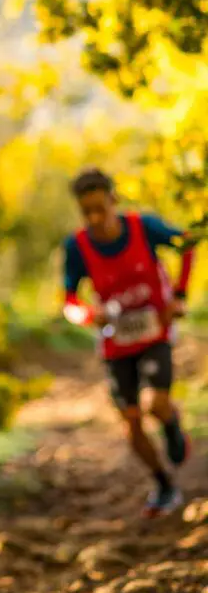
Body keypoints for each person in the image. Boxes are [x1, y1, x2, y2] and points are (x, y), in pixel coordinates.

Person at [63, 168, 195, 517]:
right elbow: (69, 301)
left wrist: (179, 295)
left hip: (155, 333)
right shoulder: (76, 246)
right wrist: (89, 316)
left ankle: (171, 425)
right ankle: (164, 485)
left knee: (157, 404)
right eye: (86, 211)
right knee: (132, 421)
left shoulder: (143, 227)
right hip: (115, 343)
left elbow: (187, 242)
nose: (94, 218)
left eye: (100, 208)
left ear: (113, 200)